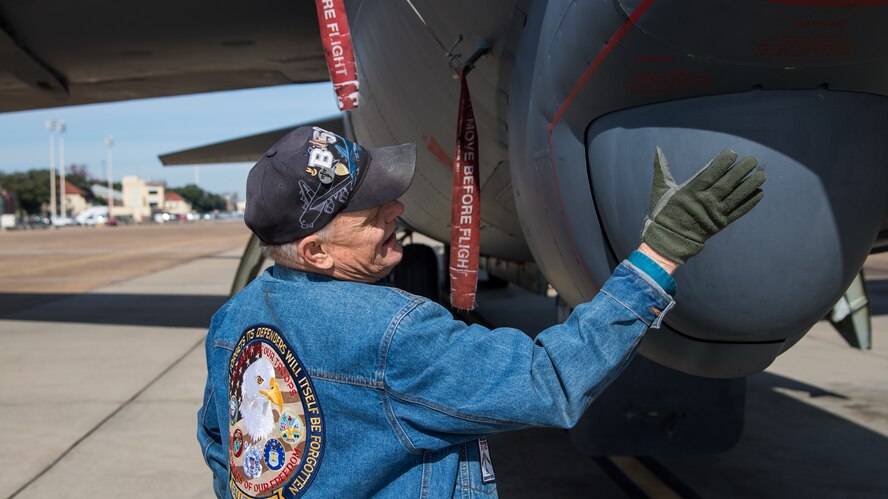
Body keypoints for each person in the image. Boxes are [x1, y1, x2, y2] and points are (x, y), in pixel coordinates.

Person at [197, 126, 765, 498]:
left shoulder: (233, 322)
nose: (397, 209)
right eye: (370, 213)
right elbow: (548, 383)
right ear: (317, 252)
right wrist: (659, 254)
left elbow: (221, 444)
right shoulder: (393, 332)